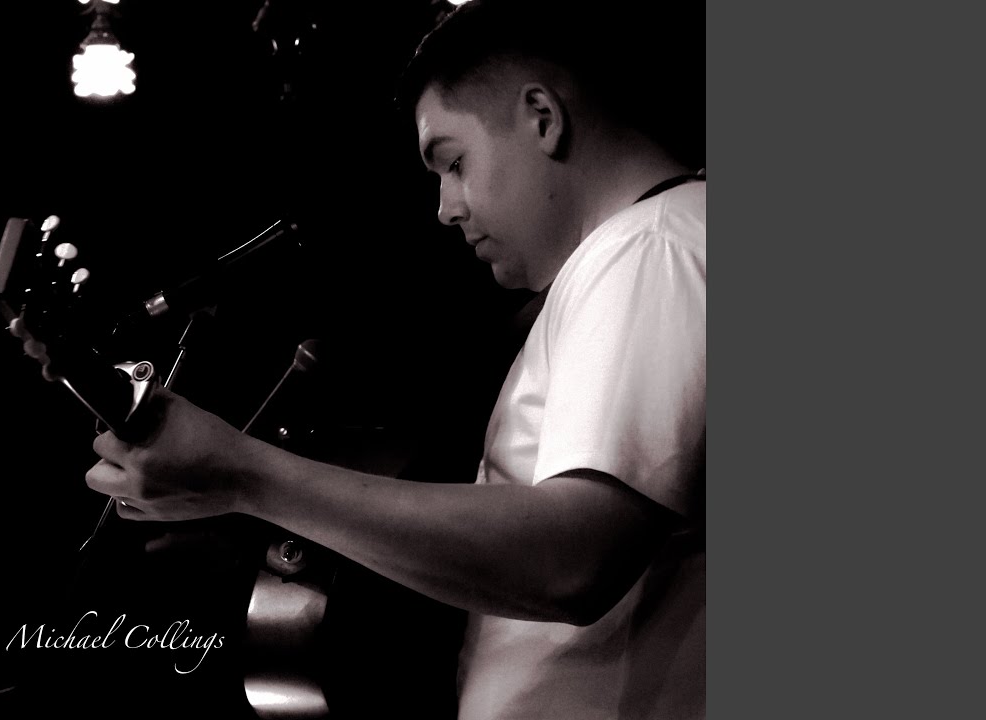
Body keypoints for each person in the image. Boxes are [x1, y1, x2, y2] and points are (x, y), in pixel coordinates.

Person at [82, 1, 705, 717]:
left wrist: (245, 474)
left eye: (454, 163)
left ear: (542, 117)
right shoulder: (651, 248)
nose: (445, 208)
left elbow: (572, 562)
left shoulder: (650, 246)